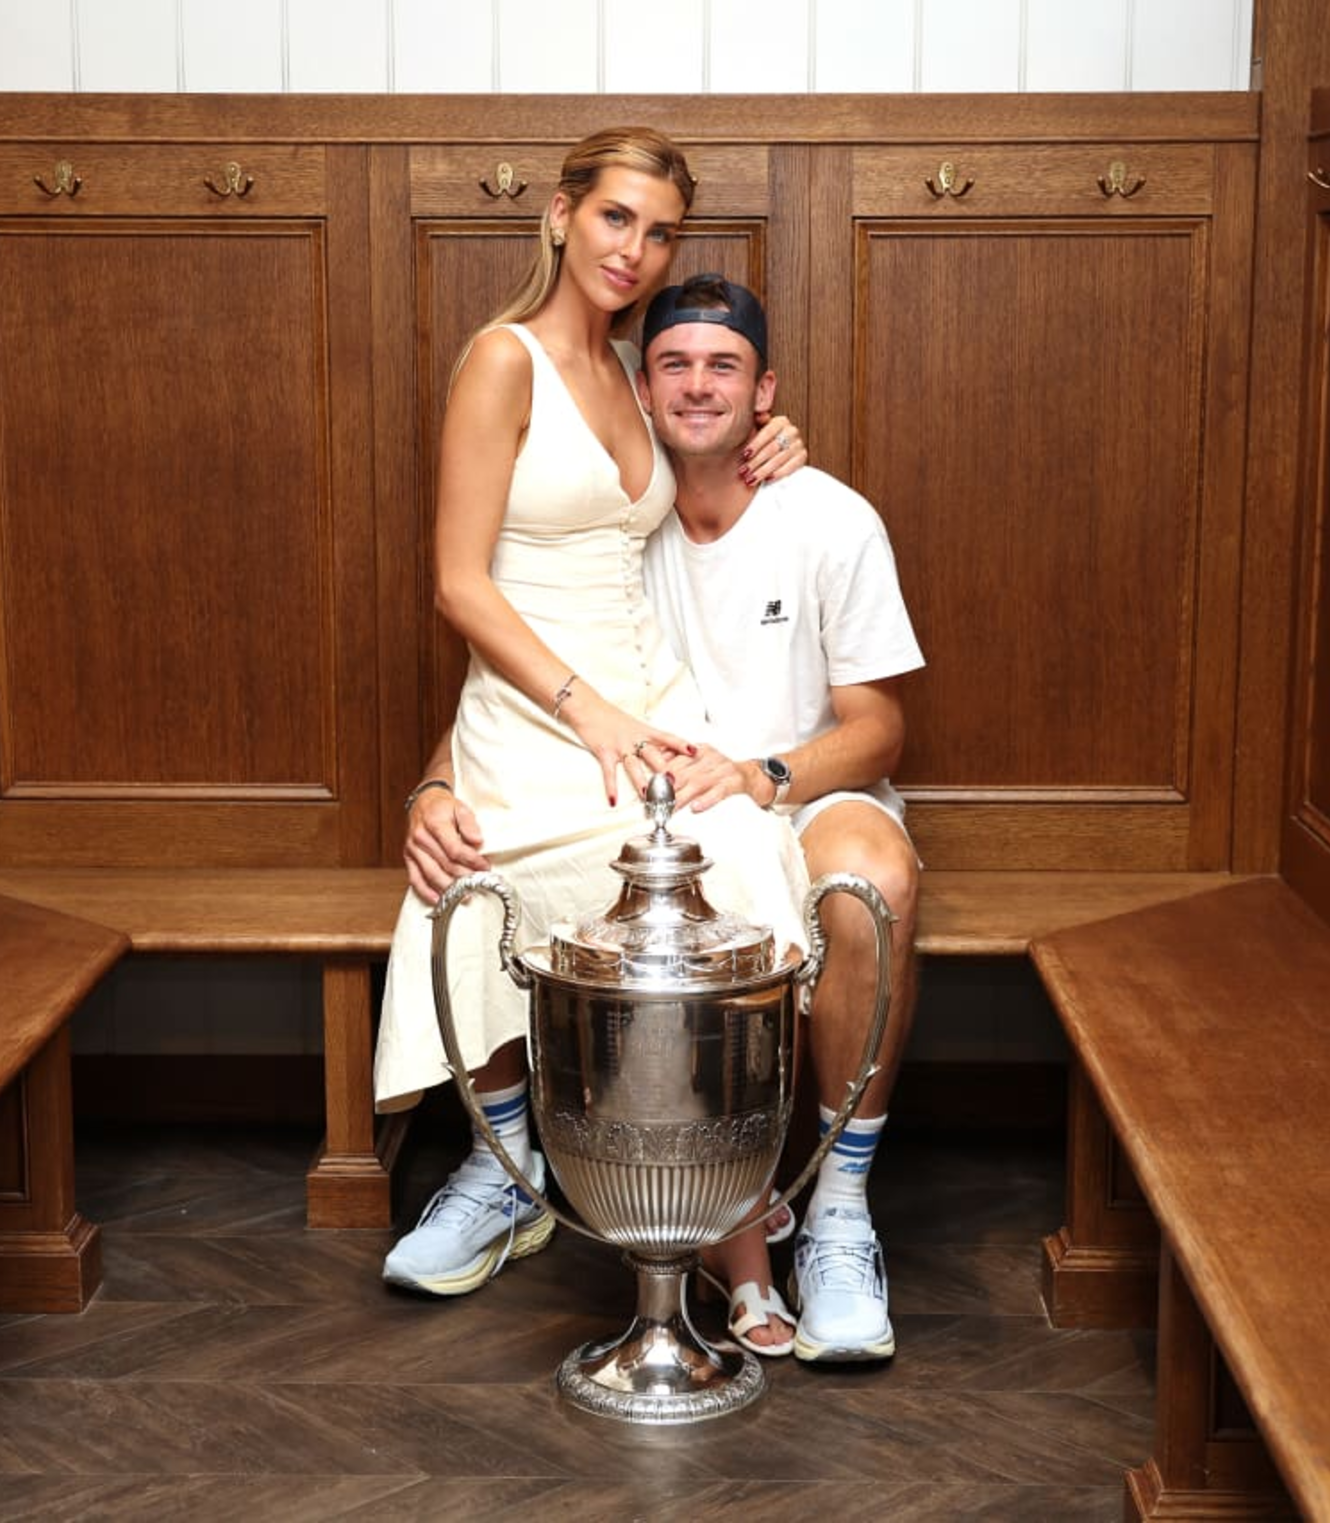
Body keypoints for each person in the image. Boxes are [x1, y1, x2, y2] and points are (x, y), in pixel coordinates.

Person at [407, 273, 925, 1365]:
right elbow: (509, 684)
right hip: (650, 801)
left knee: (868, 883)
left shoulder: (828, 517)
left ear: (765, 390)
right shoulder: (613, 527)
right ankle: (530, 1172)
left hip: (797, 787)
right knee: (478, 858)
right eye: (674, 365)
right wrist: (434, 787)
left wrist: (764, 775)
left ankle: (837, 1212)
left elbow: (880, 728)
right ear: (639, 391)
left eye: (724, 366)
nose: (698, 387)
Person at [372, 130, 816, 1302]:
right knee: (479, 885)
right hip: (540, 709)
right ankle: (506, 1162)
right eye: (617, 217)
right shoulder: (501, 360)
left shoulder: (629, 367)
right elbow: (457, 582)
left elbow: (711, 438)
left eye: (660, 232)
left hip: (649, 698)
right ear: (563, 214)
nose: (635, 250)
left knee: (742, 850)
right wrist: (585, 713)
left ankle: (713, 1176)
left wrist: (776, 435)